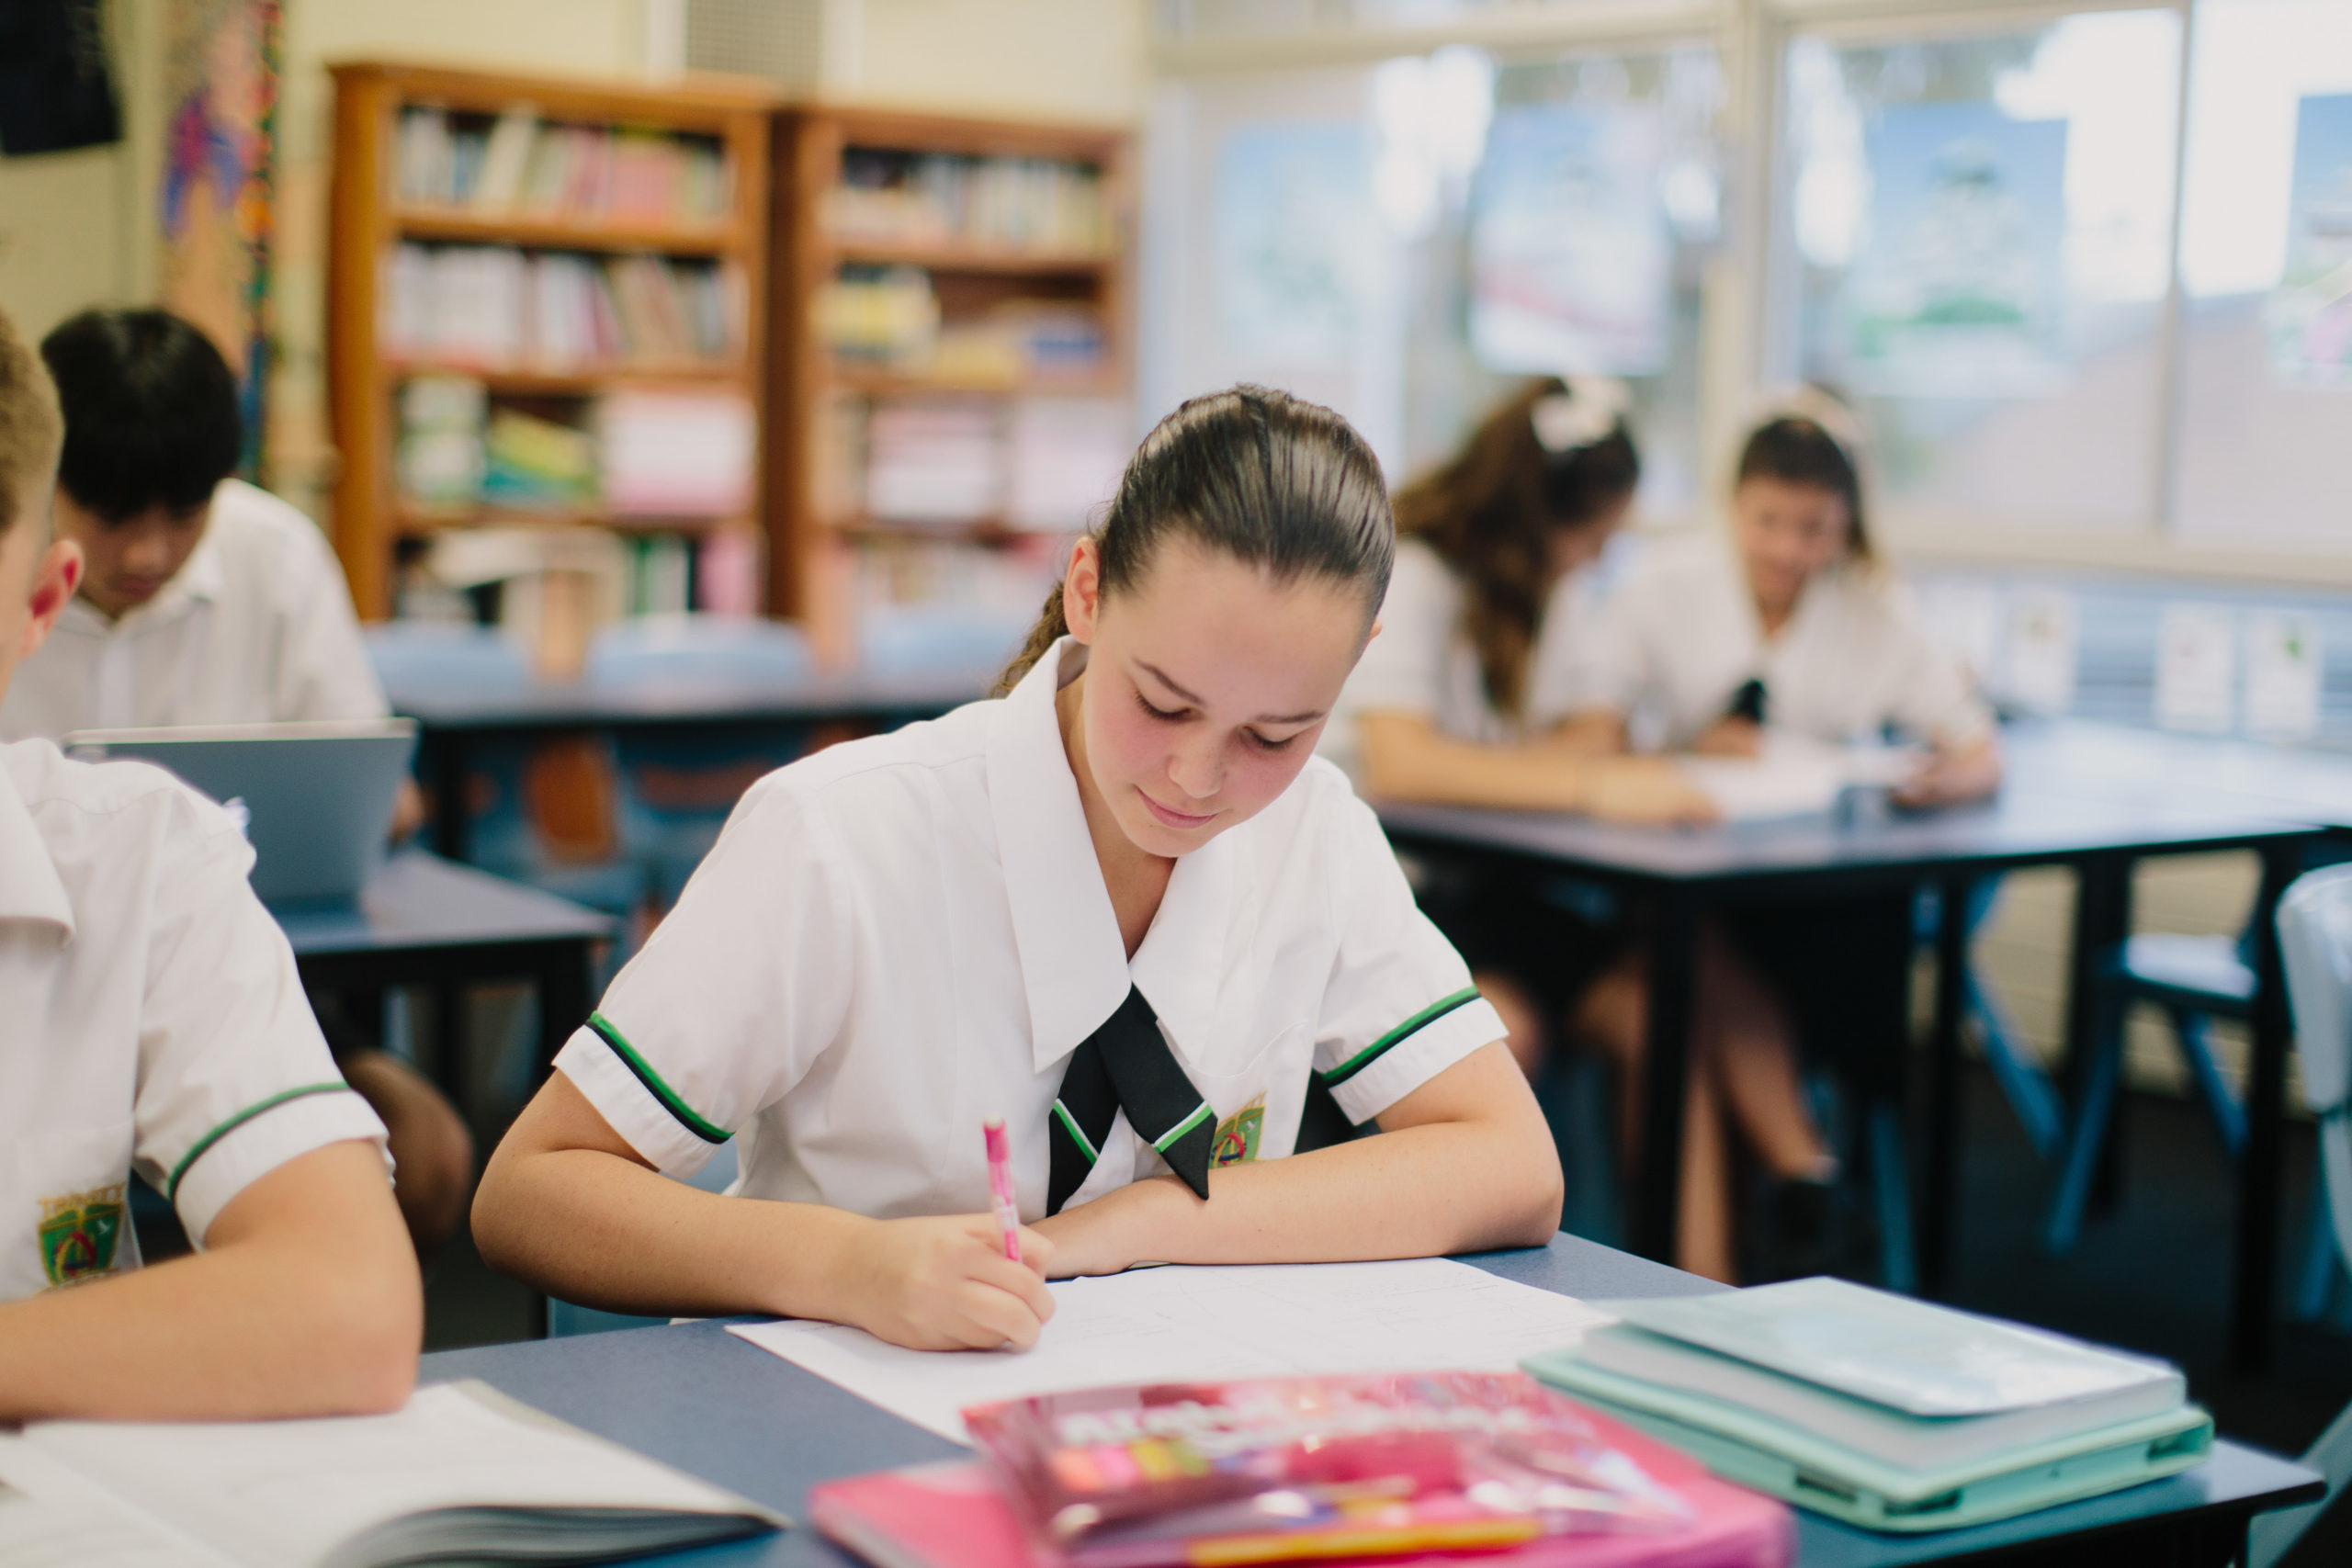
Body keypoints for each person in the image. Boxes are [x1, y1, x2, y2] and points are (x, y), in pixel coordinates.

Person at [471, 386, 1563, 1349]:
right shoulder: (840, 836)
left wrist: (1149, 1221)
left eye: (1273, 735)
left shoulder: (1312, 831)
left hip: (1155, 1421)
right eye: (1161, 702)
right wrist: (846, 1268)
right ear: (1086, 589)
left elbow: (1511, 1166)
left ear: (1356, 664)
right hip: (832, 1417)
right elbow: (528, 1194)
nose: (1196, 777)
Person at [0, 301, 418, 1421]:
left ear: (37, 600)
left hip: (238, 952)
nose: (148, 554)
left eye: (180, 517)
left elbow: (346, 1309)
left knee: (419, 1154)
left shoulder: (148, 849)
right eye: (117, 517)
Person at [1325, 378, 1822, 1283]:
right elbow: (1404, 761)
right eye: (1592, 536)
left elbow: (1574, 731)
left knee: (1661, 1008)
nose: (1597, 557)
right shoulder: (1416, 572)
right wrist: (1589, 782)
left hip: (1505, 895)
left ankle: (1701, 1297)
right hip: (1416, 902)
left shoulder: (1549, 593)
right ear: (1536, 518)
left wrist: (1628, 755)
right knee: (1507, 1032)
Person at [1562, 393, 2002, 1279]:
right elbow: (1589, 735)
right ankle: (1808, 1178)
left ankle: (1772, 1216)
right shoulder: (1663, 587)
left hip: (1813, 905)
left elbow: (1977, 750)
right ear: (1733, 505)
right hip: (1674, 879)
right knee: (1685, 946)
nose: (1788, 550)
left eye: (1814, 529)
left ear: (1845, 525)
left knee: (1693, 967)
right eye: (1768, 522)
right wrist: (1685, 747)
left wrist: (1939, 779)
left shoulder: (1872, 608)